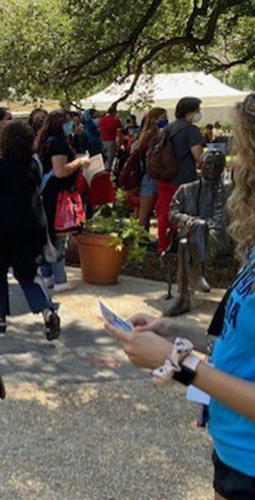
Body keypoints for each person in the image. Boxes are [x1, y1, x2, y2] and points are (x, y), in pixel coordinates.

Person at [104, 92, 255, 500]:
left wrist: (180, 363)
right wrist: (176, 332)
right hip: (234, 457)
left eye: (241, 153)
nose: (233, 167)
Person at [0, 121, 60, 338]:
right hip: (32, 225)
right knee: (27, 274)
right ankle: (46, 310)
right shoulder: (33, 165)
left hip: (3, 228)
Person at [163, 150, 234, 316]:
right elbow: (173, 213)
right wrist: (189, 221)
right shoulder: (187, 190)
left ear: (223, 168)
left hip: (220, 239)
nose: (213, 168)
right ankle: (194, 281)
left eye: (218, 164)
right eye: (209, 164)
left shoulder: (231, 191)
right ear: (200, 166)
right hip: (193, 233)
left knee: (186, 244)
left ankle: (185, 296)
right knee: (193, 233)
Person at [37, 110, 91, 293]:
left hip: (48, 195)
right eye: (69, 122)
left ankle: (48, 276)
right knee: (58, 236)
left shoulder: (45, 141)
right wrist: (80, 161)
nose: (72, 125)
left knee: (48, 235)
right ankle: (60, 279)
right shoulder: (59, 144)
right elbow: (60, 171)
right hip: (58, 195)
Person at [155, 97, 204, 254]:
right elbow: (199, 157)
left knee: (164, 214)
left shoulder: (168, 129)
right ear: (189, 112)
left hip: (165, 176)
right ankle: (182, 248)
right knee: (184, 216)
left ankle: (163, 246)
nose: (199, 114)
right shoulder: (191, 131)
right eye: (197, 111)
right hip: (184, 180)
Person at [131, 107, 168, 230]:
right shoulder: (152, 136)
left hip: (148, 176)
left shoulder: (146, 135)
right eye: (163, 117)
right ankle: (141, 239)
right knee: (145, 212)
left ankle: (142, 238)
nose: (166, 120)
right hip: (150, 176)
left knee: (144, 212)